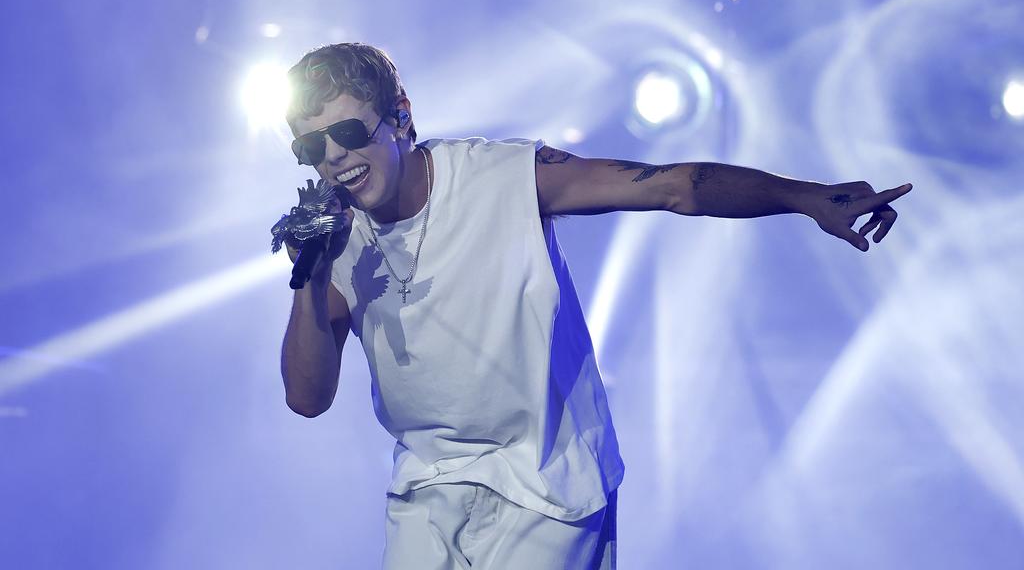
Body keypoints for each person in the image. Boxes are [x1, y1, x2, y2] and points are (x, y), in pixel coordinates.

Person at [279, 42, 912, 570]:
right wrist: (308, 280)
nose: (333, 156)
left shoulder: (505, 178)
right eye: (312, 148)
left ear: (400, 117)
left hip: (545, 485)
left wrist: (804, 196)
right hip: (426, 486)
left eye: (347, 131)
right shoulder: (333, 240)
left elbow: (672, 187)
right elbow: (308, 398)